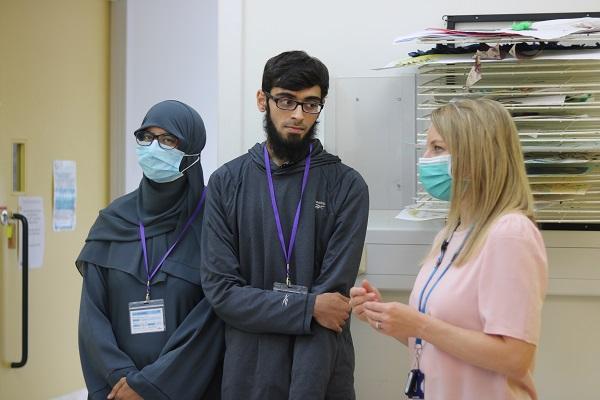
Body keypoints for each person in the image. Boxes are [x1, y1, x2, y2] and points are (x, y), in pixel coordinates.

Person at [350, 99, 548, 400]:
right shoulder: (452, 231)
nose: (425, 159)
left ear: (476, 156)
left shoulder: (510, 233)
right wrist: (387, 319)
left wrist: (420, 324)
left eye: (438, 149)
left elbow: (515, 357)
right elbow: (441, 340)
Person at [200, 50, 369, 400]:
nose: (298, 115)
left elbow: (333, 305)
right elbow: (222, 293)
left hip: (321, 375)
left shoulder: (347, 186)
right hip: (247, 375)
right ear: (263, 100)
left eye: (311, 104)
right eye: (286, 101)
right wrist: (309, 307)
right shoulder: (226, 183)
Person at [76, 100, 223, 400]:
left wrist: (151, 387)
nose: (154, 148)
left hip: (189, 389)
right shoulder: (112, 220)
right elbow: (92, 317)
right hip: (117, 391)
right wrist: (121, 379)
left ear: (191, 152)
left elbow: (210, 324)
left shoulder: (215, 224)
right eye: (146, 137)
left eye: (168, 139)